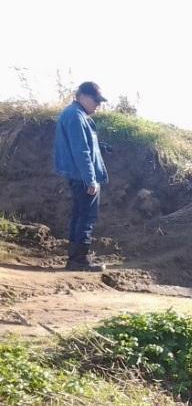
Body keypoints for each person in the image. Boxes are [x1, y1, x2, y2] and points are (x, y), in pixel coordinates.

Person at [53, 81, 109, 272]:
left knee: (80, 215)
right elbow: (81, 151)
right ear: (82, 96)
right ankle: (79, 260)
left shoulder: (75, 114)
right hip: (82, 176)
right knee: (86, 217)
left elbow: (83, 147)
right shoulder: (76, 116)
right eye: (95, 100)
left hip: (78, 175)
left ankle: (75, 258)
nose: (98, 105)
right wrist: (91, 179)